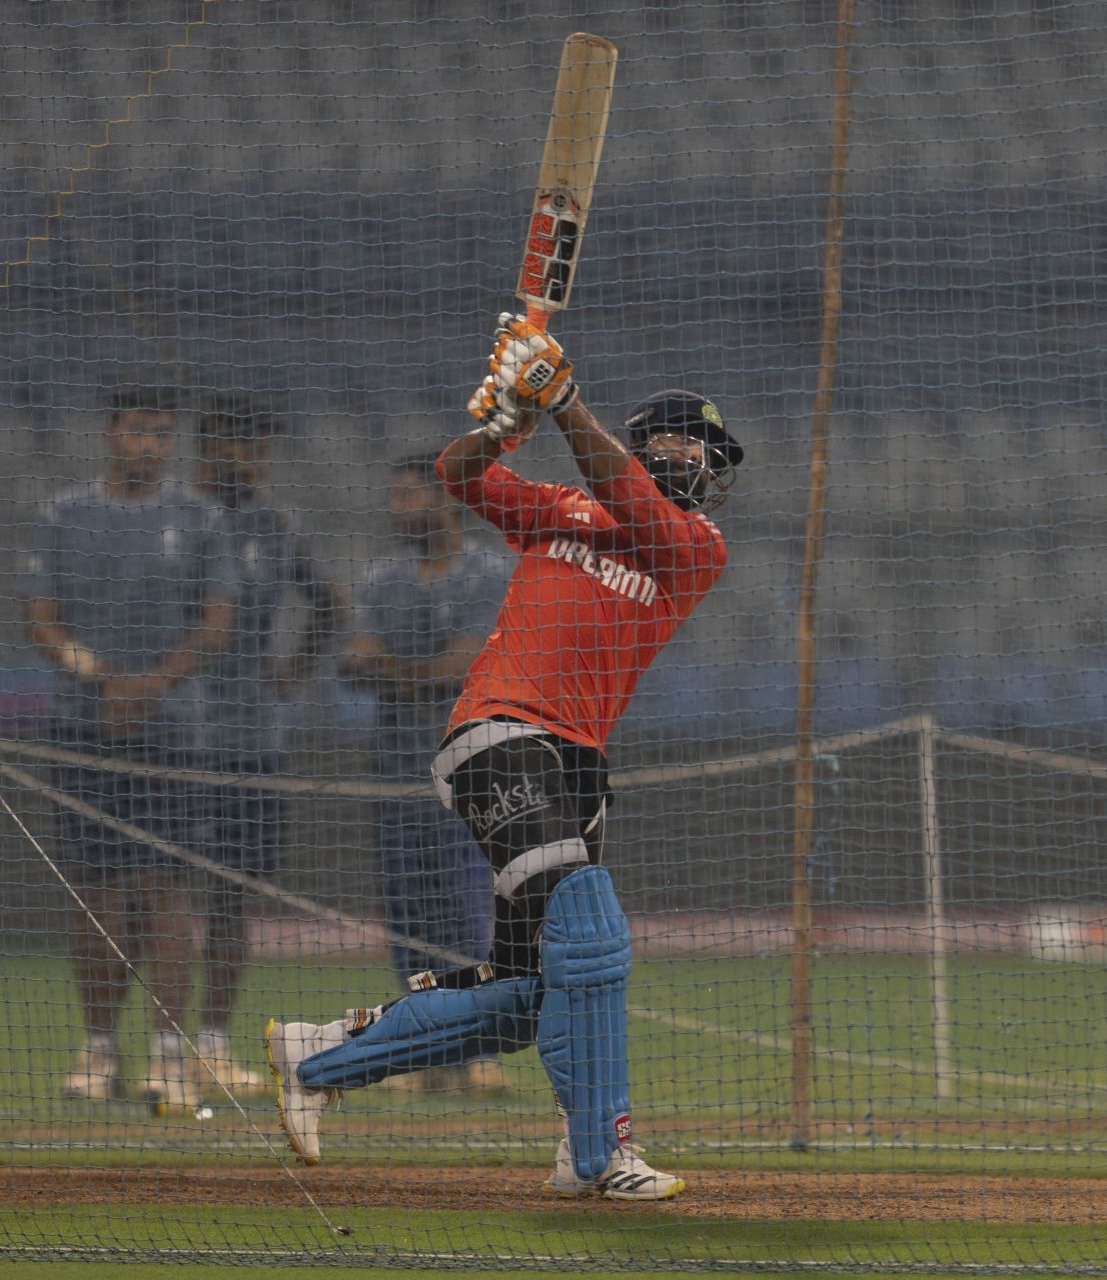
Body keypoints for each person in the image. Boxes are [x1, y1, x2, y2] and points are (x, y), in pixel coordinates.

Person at [266, 314, 742, 1200]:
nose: (704, 463)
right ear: (648, 443)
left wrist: (562, 402)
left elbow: (635, 504)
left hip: (577, 765)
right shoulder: (561, 508)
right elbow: (457, 477)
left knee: (533, 992)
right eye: (690, 441)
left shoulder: (696, 549)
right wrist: (505, 424)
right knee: (592, 933)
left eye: (710, 452)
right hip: (500, 731)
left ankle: (320, 1055)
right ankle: (603, 1156)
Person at [26, 385, 233, 1110]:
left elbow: (215, 623)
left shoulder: (200, 518)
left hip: (174, 728)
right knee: (96, 890)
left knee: (169, 890)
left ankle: (169, 1053)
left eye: (162, 433)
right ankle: (98, 1047)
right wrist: (100, 676)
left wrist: (150, 684)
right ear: (110, 433)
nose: (150, 444)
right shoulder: (65, 514)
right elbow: (43, 621)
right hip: (85, 729)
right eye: (138, 430)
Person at [339, 454, 510, 1095]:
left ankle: (473, 1050)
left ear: (447, 500)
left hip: (470, 772)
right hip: (394, 771)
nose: (397, 509)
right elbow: (351, 661)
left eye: (410, 496)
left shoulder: (487, 573)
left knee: (465, 912)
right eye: (395, 496)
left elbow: (463, 667)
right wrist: (417, 671)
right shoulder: (383, 576)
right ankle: (420, 1048)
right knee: (408, 915)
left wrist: (395, 667)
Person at [189, 398, 341, 1098]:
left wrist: (291, 671)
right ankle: (138, 1047)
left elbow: (330, 604)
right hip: (176, 733)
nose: (250, 461)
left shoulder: (277, 527)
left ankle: (211, 1043)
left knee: (230, 900)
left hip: (252, 738)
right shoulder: (179, 518)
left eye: (259, 449)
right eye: (236, 446)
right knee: (148, 892)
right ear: (207, 451)